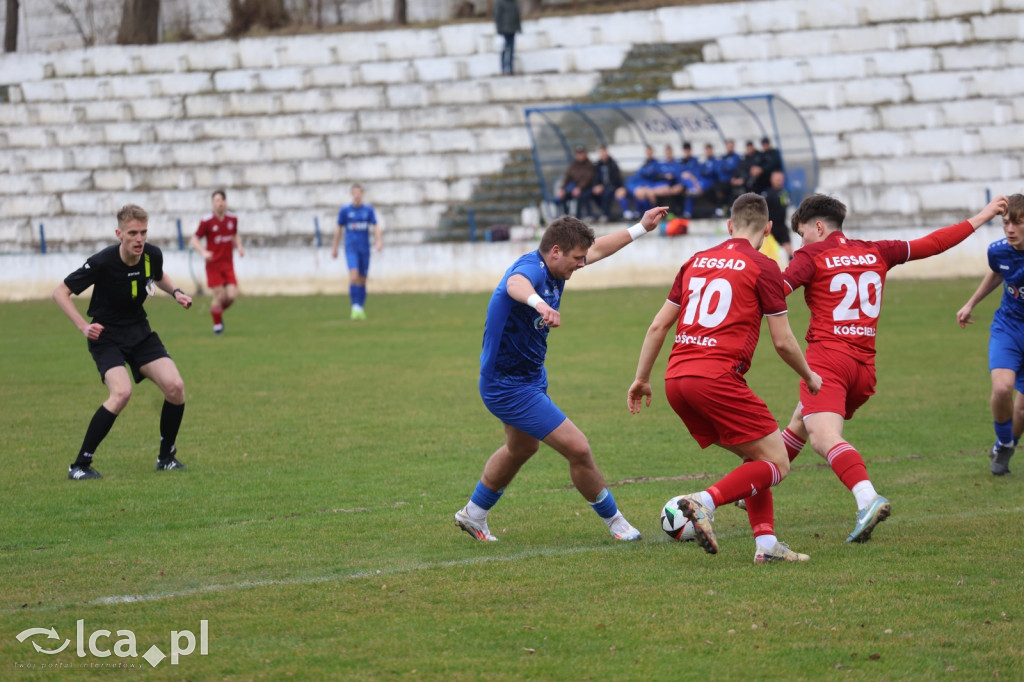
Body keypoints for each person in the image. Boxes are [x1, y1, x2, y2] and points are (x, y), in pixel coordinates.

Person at [779, 193, 1008, 541]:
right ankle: (756, 484)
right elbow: (933, 243)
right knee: (802, 420)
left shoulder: (810, 255)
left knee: (824, 436)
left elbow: (775, 291)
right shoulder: (877, 250)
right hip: (863, 370)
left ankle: (867, 498)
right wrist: (984, 215)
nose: (801, 241)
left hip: (826, 363)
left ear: (818, 226)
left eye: (802, 233)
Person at [455, 205, 670, 543]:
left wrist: (640, 227)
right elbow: (515, 283)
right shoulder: (532, 270)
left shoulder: (558, 268)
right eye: (577, 258)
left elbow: (597, 249)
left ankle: (473, 514)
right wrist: (539, 304)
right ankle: (617, 523)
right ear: (555, 251)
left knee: (521, 449)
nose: (582, 264)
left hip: (529, 378)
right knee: (578, 448)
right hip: (506, 386)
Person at [627, 193, 822, 563]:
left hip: (676, 381)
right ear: (768, 230)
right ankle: (703, 502)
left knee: (756, 459)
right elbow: (782, 341)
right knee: (777, 463)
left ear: (729, 226)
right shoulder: (764, 266)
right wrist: (809, 376)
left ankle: (766, 547)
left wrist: (641, 379)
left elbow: (658, 326)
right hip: (716, 379)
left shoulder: (695, 261)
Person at [53, 204, 193, 480]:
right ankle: (79, 465)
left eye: (143, 232)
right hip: (106, 337)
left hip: (139, 333)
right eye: (133, 233)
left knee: (175, 387)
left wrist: (176, 292)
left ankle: (166, 458)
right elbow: (60, 292)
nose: (139, 239)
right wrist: (84, 326)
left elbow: (158, 274)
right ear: (119, 233)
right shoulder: (102, 262)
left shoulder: (152, 254)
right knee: (121, 393)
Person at [956, 193, 1024, 475]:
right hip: (1008, 327)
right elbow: (997, 272)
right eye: (1006, 223)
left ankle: (1008, 446)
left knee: (1021, 412)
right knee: (1001, 388)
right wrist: (971, 303)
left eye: (1018, 223)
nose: (1010, 229)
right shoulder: (998, 251)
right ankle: (1004, 441)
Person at [190, 189, 244, 335]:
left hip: (228, 264)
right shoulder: (206, 221)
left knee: (232, 295)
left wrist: (239, 247)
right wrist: (203, 252)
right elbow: (194, 240)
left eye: (222, 200)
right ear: (213, 203)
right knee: (219, 295)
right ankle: (217, 326)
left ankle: (216, 312)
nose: (219, 203)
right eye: (216, 201)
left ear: (226, 202)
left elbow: (235, 233)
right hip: (213, 265)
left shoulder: (232, 219)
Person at [332, 183, 383, 320]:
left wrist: (379, 241)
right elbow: (339, 229)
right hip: (351, 248)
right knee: (353, 276)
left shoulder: (368, 210)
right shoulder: (345, 211)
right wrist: (335, 247)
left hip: (364, 249)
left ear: (362, 194)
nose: (357, 195)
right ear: (351, 195)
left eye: (359, 193)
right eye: (354, 193)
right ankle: (354, 306)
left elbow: (376, 225)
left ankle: (360, 307)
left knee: (362, 280)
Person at [555, 145, 596, 219]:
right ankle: (566, 217)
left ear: (585, 154)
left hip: (587, 188)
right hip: (576, 189)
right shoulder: (573, 165)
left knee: (580, 196)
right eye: (578, 153)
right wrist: (562, 189)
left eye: (581, 153)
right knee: (563, 196)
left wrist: (579, 188)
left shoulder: (590, 165)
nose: (580, 155)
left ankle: (578, 218)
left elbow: (588, 179)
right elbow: (567, 177)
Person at [761, 170, 792, 260]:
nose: (779, 181)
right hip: (770, 227)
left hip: (782, 226)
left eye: (781, 179)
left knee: (789, 250)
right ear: (772, 180)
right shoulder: (767, 194)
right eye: (777, 179)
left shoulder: (784, 193)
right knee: (769, 252)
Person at [591, 145, 623, 222]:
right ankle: (591, 215)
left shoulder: (613, 164)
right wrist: (596, 186)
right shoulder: (597, 164)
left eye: (604, 152)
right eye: (601, 153)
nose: (603, 155)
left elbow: (616, 179)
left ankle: (605, 214)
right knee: (590, 193)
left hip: (612, 186)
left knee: (606, 193)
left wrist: (603, 186)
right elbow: (595, 178)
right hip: (601, 187)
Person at [494, 0, 521, 76]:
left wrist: (519, 28)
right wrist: (499, 30)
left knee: (510, 51)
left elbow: (517, 15)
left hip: (511, 30)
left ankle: (510, 69)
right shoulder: (500, 2)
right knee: (504, 50)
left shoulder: (513, 2)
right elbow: (497, 16)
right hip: (504, 31)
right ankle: (504, 69)